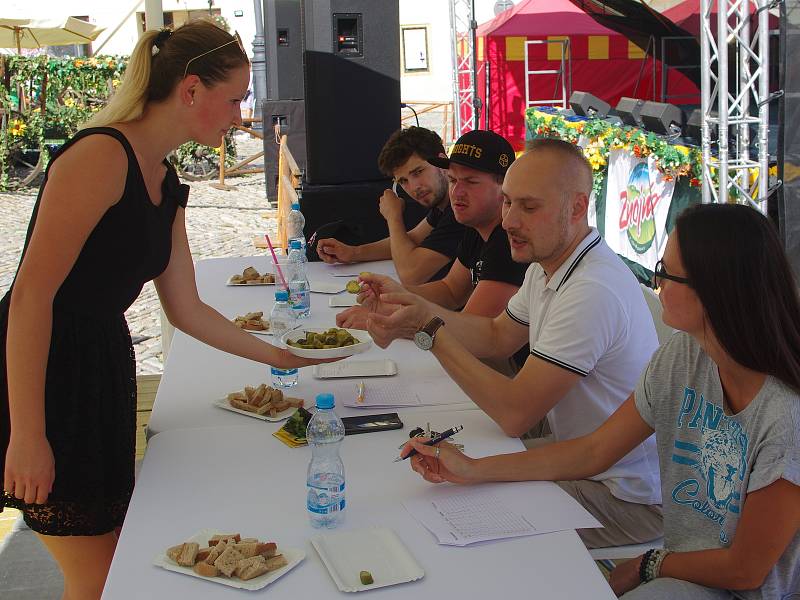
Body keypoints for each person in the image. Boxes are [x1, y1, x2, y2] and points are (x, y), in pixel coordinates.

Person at [0, 22, 331, 600]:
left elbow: (186, 308)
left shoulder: (166, 178)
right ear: (191, 89)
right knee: (97, 577)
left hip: (100, 365)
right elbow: (31, 298)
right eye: (233, 100)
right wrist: (28, 435)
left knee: (111, 553)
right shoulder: (101, 156)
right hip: (44, 372)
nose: (238, 117)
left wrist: (281, 356)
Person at [401, 203, 800, 600]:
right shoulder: (684, 355)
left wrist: (650, 564)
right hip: (682, 563)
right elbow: (594, 450)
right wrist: (471, 469)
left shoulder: (784, 415)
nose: (657, 286)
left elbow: (745, 571)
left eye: (665, 273)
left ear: (716, 290)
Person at [362, 138, 663, 548]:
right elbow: (497, 336)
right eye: (507, 203)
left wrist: (428, 330)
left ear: (576, 208)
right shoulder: (551, 263)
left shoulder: (592, 288)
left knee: (448, 520)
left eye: (529, 206)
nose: (508, 221)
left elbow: (514, 414)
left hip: (625, 496)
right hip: (581, 462)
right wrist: (411, 308)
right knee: (439, 496)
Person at [337, 130, 528, 339]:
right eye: (453, 180)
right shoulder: (477, 226)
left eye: (471, 182)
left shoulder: (509, 240)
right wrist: (391, 296)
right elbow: (450, 290)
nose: (456, 192)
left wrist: (389, 322)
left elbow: (474, 335)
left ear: (505, 185)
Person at [316, 127, 465, 286]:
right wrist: (352, 253)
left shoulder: (461, 209)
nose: (414, 187)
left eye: (418, 172)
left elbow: (411, 274)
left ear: (441, 162)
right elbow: (413, 239)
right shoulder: (443, 204)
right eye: (403, 181)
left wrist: (393, 216)